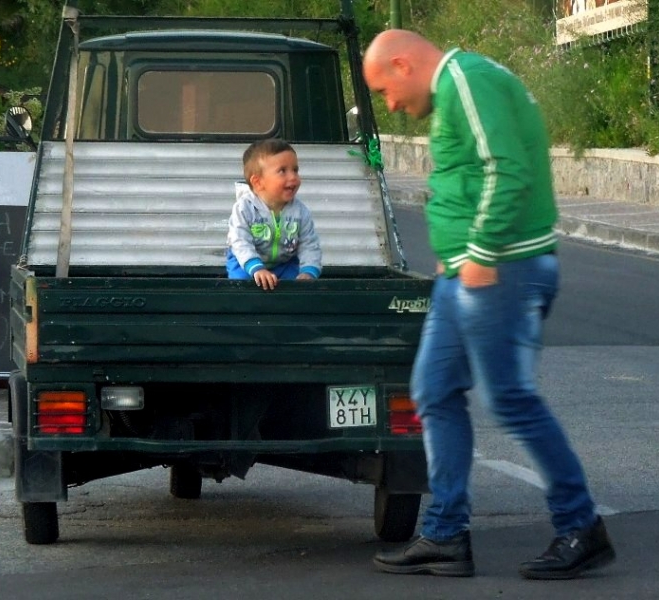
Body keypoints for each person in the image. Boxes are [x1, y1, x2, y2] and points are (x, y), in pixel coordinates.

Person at [362, 29, 615, 580]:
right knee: (433, 391)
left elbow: (507, 170)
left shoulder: (466, 82)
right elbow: (472, 177)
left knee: (511, 400)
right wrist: (455, 256)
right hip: (470, 273)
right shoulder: (462, 86)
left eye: (385, 89)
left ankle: (581, 526)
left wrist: (478, 251)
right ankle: (447, 536)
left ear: (403, 63)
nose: (391, 105)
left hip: (503, 270)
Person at [226, 139, 322, 290]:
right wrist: (257, 268)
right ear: (258, 182)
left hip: (285, 262)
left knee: (297, 288)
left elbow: (309, 244)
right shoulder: (244, 208)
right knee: (242, 287)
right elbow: (240, 241)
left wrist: (308, 271)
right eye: (283, 171)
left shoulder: (300, 211)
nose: (293, 177)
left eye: (295, 170)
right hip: (246, 262)